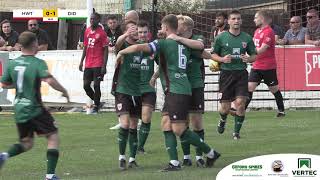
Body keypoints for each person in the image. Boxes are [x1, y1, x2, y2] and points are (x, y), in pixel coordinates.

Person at [116, 14, 221, 171]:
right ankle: (174, 162)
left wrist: (121, 53)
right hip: (179, 88)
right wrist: (219, 59)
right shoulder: (186, 44)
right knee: (166, 124)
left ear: (165, 27)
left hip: (176, 90)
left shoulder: (163, 43)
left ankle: (210, 153)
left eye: (161, 27)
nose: (160, 29)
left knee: (178, 129)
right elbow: (203, 52)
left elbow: (139, 47)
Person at [0, 31, 69, 180]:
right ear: (33, 44)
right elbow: (50, 81)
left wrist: (22, 86)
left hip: (19, 108)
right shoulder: (37, 63)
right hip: (34, 108)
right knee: (53, 136)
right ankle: (50, 176)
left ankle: (4, 156)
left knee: (27, 143)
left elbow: (4, 84)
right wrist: (64, 91)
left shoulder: (13, 63)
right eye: (37, 42)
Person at [213, 10, 257, 140]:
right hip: (226, 74)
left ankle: (236, 133)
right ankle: (222, 119)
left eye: (238, 19)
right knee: (225, 108)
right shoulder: (221, 37)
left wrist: (248, 59)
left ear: (241, 21)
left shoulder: (247, 38)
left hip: (241, 74)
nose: (236, 21)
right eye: (233, 19)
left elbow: (254, 55)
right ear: (228, 21)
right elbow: (213, 54)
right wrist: (222, 60)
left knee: (241, 103)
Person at [175, 15, 206, 167]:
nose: (175, 26)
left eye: (178, 24)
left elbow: (199, 46)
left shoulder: (197, 37)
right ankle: (186, 156)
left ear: (186, 27)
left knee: (197, 123)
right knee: (183, 123)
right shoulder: (174, 40)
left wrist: (178, 39)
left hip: (196, 85)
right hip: (180, 87)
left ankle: (199, 156)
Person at [112, 21, 141, 170]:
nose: (136, 31)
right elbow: (116, 45)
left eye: (137, 29)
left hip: (137, 91)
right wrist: (125, 35)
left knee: (134, 126)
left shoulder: (141, 47)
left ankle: (132, 159)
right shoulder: (122, 47)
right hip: (123, 90)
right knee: (124, 124)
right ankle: (122, 157)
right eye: (132, 29)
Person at [246, 10, 285, 117]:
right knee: (249, 87)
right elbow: (253, 47)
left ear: (262, 19)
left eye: (255, 18)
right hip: (256, 66)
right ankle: (241, 110)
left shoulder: (269, 31)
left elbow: (263, 49)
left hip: (268, 67)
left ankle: (281, 110)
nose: (254, 20)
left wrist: (250, 56)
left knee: (274, 89)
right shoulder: (257, 31)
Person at [78, 12, 109, 114]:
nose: (92, 21)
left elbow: (105, 50)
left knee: (96, 85)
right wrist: (81, 61)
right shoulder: (87, 31)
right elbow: (85, 47)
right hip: (88, 64)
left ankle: (96, 107)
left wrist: (104, 66)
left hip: (98, 63)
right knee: (86, 86)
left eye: (94, 19)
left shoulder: (102, 33)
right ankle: (98, 102)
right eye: (91, 19)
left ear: (98, 20)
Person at [135, 20, 157, 154]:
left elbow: (164, 64)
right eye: (140, 32)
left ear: (148, 33)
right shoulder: (132, 47)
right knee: (132, 121)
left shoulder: (153, 47)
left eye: (144, 32)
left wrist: (154, 76)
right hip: (134, 89)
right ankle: (133, 144)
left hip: (148, 88)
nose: (142, 35)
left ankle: (140, 147)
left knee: (146, 117)